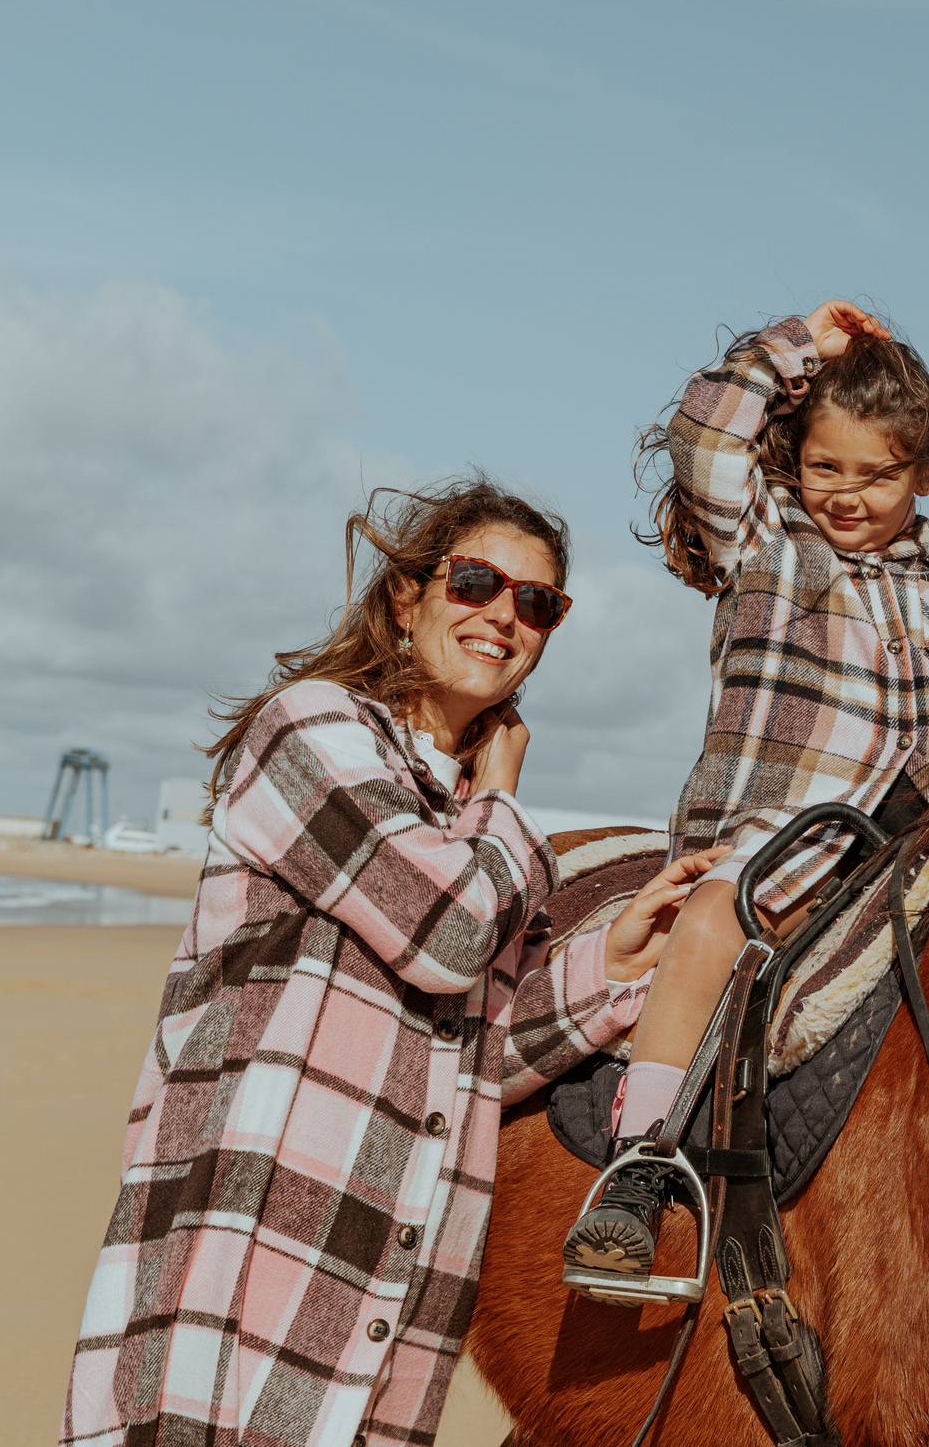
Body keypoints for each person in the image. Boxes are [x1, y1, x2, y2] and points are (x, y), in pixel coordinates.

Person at [64, 478, 722, 1447]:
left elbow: (474, 1066)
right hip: (259, 1255)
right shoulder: (312, 732)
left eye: (536, 603)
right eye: (475, 583)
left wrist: (610, 967)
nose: (505, 614)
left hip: (398, 1294)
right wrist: (504, 795)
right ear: (405, 597)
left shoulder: (469, 827)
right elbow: (446, 935)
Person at [561, 301, 929, 1285]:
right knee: (718, 917)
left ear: (927, 474)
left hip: (912, 854)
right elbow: (708, 432)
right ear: (796, 464)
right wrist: (797, 343)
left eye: (878, 474)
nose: (847, 494)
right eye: (826, 467)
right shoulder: (769, 544)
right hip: (776, 839)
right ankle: (636, 1167)